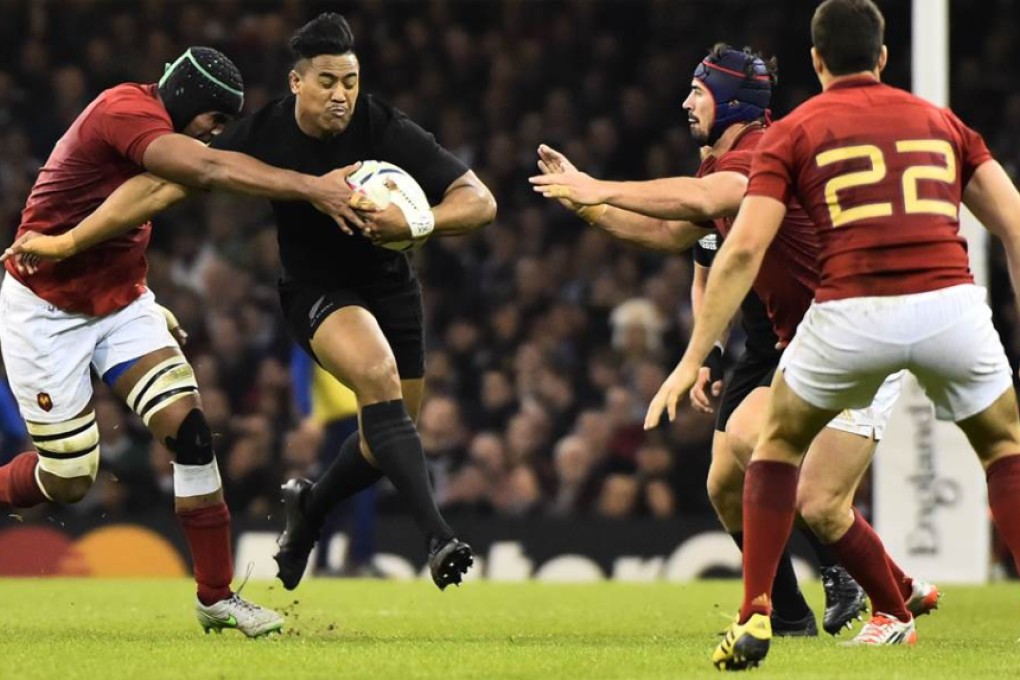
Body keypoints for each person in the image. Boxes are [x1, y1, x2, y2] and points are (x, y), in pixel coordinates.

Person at [6, 13, 497, 592]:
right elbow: (166, 185)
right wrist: (68, 242)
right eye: (327, 81)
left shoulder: (384, 127)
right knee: (377, 376)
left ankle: (302, 518)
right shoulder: (251, 132)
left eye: (350, 81)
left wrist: (418, 221)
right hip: (316, 289)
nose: (341, 94)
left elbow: (481, 202)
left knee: (385, 435)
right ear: (297, 82)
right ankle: (437, 535)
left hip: (389, 285)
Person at [642, 0, 1020, 670]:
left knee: (777, 449)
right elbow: (1014, 223)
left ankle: (757, 613)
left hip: (853, 311)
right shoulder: (943, 122)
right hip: (949, 305)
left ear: (817, 62)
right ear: (882, 57)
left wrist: (691, 358)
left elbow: (741, 248)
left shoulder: (796, 129)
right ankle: (882, 598)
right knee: (1005, 452)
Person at [531, 43, 940, 637]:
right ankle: (803, 615)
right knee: (724, 480)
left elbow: (704, 202)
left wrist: (599, 185)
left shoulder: (762, 154)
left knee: (794, 477)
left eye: (697, 92)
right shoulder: (718, 163)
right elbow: (671, 232)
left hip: (856, 329)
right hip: (801, 341)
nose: (684, 102)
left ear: (730, 101)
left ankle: (878, 589)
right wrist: (585, 203)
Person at [0, 44, 370, 636]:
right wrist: (311, 187)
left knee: (192, 433)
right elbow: (208, 170)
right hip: (44, 310)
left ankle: (216, 597)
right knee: (68, 479)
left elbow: (151, 200)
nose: (215, 133)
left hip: (121, 305)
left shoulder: (168, 132)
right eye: (215, 119)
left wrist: (139, 296)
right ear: (190, 101)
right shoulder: (124, 110)